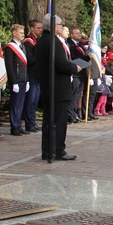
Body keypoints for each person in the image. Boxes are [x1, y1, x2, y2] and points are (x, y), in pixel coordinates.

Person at [36, 14, 81, 161]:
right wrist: (75, 67)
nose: (61, 27)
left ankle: (48, 150)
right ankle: (58, 150)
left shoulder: (42, 40)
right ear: (53, 26)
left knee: (49, 121)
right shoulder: (53, 42)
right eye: (60, 24)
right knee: (58, 122)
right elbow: (61, 64)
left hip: (48, 86)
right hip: (58, 88)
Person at [4, 24, 29, 136]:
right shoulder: (10, 47)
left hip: (23, 79)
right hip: (16, 80)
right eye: (21, 32)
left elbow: (25, 65)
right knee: (15, 104)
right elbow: (9, 66)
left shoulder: (22, 46)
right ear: (14, 33)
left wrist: (27, 79)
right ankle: (14, 126)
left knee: (21, 104)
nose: (23, 34)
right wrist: (13, 82)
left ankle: (18, 125)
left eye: (23, 32)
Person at [23, 19, 43, 132]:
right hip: (31, 75)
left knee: (35, 100)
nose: (40, 30)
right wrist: (40, 56)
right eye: (38, 28)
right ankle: (29, 123)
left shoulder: (39, 40)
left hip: (38, 75)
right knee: (30, 100)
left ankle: (33, 121)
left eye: (41, 28)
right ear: (32, 28)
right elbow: (29, 59)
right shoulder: (28, 42)